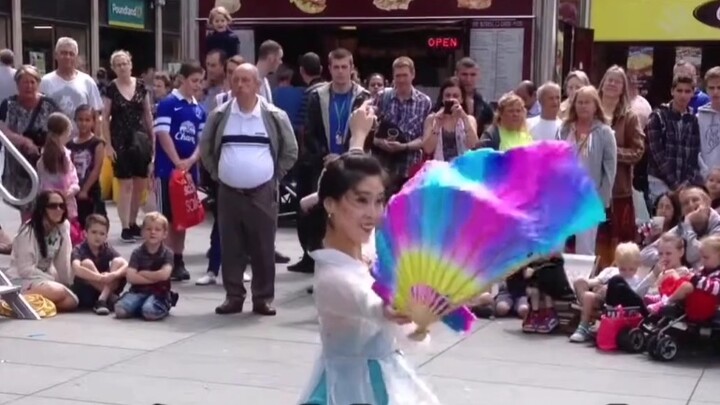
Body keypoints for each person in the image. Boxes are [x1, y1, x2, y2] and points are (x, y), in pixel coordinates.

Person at [298, 108, 441, 404]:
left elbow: (347, 177)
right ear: (330, 205)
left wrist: (359, 137)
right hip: (350, 390)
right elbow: (373, 304)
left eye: (379, 201)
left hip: (385, 379)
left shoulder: (363, 243)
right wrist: (399, 307)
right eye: (362, 201)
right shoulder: (334, 277)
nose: (373, 214)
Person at [199, 63, 298, 316]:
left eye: (246, 80)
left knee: (263, 248)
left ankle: (262, 298)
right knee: (231, 247)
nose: (240, 85)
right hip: (229, 193)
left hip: (262, 192)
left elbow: (290, 151)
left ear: (257, 85)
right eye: (236, 80)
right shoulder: (220, 116)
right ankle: (233, 296)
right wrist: (217, 173)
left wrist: (273, 175)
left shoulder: (275, 116)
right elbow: (207, 149)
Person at [294, 48, 370, 274]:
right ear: (329, 69)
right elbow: (310, 132)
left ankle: (352, 265)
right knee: (322, 216)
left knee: (350, 215)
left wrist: (345, 155)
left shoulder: (363, 97)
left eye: (344, 67)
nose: (340, 72)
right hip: (325, 165)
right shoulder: (318, 95)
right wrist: (325, 156)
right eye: (335, 67)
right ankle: (319, 264)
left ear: (351, 67)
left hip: (353, 166)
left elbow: (368, 134)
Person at [153, 61, 207, 281]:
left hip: (188, 172)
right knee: (165, 217)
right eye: (194, 80)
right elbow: (163, 134)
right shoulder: (168, 104)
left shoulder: (198, 109)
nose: (197, 85)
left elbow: (202, 139)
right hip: (168, 171)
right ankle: (162, 260)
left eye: (200, 81)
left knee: (182, 218)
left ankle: (178, 259)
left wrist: (192, 160)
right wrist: (176, 160)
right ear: (182, 80)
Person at [557, 86, 617, 254]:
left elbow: (610, 169)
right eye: (580, 102)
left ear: (595, 105)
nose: (583, 106)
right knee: (556, 246)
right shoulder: (564, 129)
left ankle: (583, 279)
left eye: (587, 102)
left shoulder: (605, 132)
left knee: (585, 248)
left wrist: (603, 200)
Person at [102, 50, 155, 243]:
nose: (122, 67)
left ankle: (133, 223)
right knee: (125, 185)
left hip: (140, 139)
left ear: (131, 65)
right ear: (113, 68)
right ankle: (124, 226)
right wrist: (108, 144)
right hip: (120, 140)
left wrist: (153, 141)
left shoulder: (141, 86)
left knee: (140, 184)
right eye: (118, 64)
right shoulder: (111, 88)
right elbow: (105, 118)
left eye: (125, 63)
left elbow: (148, 115)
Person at [597, 65, 646, 268]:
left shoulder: (629, 116)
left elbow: (638, 151)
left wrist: (611, 152)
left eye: (617, 81)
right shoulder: (591, 112)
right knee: (593, 238)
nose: (612, 83)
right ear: (602, 83)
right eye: (609, 79)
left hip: (618, 189)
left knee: (619, 241)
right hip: (592, 187)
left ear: (623, 88)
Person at [0, 65, 60, 220]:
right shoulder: (8, 105)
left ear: (38, 83)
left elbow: (61, 129)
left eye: (32, 82)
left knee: (47, 206)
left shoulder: (49, 104)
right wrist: (23, 141)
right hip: (19, 165)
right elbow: (2, 131)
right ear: (17, 84)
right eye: (24, 82)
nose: (29, 86)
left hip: (45, 164)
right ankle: (29, 238)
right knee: (26, 209)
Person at [569, 242, 660, 343]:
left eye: (631, 269)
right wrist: (583, 282)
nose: (627, 272)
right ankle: (583, 327)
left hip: (618, 305)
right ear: (617, 263)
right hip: (601, 299)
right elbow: (595, 281)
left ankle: (587, 323)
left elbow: (636, 296)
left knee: (616, 281)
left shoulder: (637, 280)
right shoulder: (611, 271)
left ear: (637, 265)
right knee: (586, 293)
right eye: (623, 269)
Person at [5, 191, 78, 312]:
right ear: (42, 209)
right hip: (23, 279)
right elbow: (25, 270)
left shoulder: (63, 226)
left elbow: (63, 261)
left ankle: (34, 304)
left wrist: (67, 283)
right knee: (56, 291)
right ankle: (12, 302)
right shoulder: (28, 231)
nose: (58, 209)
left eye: (62, 206)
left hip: (44, 279)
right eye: (53, 206)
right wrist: (52, 281)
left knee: (72, 302)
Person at [372, 56, 432, 195]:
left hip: (411, 171)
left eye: (405, 75)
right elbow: (368, 132)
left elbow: (425, 138)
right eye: (397, 76)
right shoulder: (381, 98)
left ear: (413, 75)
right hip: (383, 169)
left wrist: (404, 147)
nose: (401, 80)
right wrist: (380, 142)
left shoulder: (424, 102)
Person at [646, 74, 701, 202]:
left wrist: (686, 184)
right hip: (659, 182)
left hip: (685, 185)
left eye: (687, 91)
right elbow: (657, 154)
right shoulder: (658, 116)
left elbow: (694, 155)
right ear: (672, 91)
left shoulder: (693, 120)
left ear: (693, 93)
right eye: (679, 90)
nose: (683, 95)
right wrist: (674, 184)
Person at [114, 212, 177, 321]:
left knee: (149, 312)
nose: (153, 232)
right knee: (119, 310)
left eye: (157, 229)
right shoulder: (137, 253)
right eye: (148, 229)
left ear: (164, 234)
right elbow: (131, 277)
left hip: (159, 293)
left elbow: (164, 275)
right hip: (138, 291)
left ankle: (160, 305)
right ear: (142, 232)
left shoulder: (167, 253)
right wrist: (154, 278)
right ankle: (140, 306)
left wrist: (143, 274)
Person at [641, 186, 720, 269]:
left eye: (695, 200)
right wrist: (670, 255)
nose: (691, 205)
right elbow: (645, 255)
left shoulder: (717, 224)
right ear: (682, 211)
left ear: (707, 203)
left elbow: (692, 255)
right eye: (685, 203)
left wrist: (688, 225)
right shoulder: (682, 227)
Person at [647, 235, 720, 320]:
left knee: (687, 285)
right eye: (701, 257)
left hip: (706, 306)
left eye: (706, 257)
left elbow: (716, 287)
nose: (702, 260)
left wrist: (695, 279)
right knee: (675, 278)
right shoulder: (703, 270)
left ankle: (666, 301)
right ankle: (662, 296)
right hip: (695, 300)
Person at [39, 37, 102, 135]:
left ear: (76, 57)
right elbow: (40, 114)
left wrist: (97, 143)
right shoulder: (45, 81)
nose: (67, 57)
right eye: (63, 53)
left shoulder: (87, 81)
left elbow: (96, 116)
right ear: (56, 55)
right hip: (55, 142)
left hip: (83, 143)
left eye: (71, 54)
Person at [70, 214, 127, 315]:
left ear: (106, 236)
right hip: (87, 292)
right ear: (85, 233)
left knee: (118, 262)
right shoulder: (79, 249)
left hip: (105, 288)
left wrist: (113, 275)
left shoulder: (106, 248)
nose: (98, 236)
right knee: (86, 263)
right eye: (94, 232)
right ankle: (109, 297)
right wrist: (100, 277)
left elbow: (126, 265)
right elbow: (76, 269)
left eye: (102, 234)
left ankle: (102, 299)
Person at [37, 113, 80, 238]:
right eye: (68, 131)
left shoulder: (46, 157)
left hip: (52, 203)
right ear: (63, 133)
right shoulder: (61, 156)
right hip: (63, 203)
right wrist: (72, 189)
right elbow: (72, 178)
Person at [421, 76, 478, 161]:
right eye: (447, 96)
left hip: (463, 167)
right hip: (440, 168)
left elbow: (474, 145)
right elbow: (428, 149)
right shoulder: (432, 119)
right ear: (442, 98)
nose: (451, 99)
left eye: (455, 96)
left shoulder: (469, 119)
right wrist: (437, 125)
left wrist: (464, 118)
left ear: (462, 99)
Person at [68, 104, 107, 230]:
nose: (83, 123)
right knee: (77, 225)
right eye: (80, 119)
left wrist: (85, 189)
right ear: (75, 121)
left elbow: (97, 168)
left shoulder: (97, 143)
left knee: (95, 224)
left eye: (87, 120)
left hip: (92, 191)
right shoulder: (69, 144)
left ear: (93, 122)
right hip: (74, 191)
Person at [454, 57, 494, 131]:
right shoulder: (447, 100)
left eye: (472, 75)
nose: (468, 79)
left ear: (478, 76)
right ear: (456, 75)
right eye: (464, 74)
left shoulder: (484, 106)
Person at [698, 66, 720, 179]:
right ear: (706, 89)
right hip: (706, 180)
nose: (715, 92)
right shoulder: (699, 117)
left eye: (719, 87)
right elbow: (695, 151)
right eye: (711, 88)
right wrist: (706, 173)